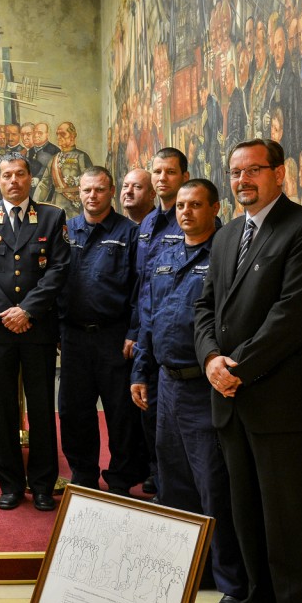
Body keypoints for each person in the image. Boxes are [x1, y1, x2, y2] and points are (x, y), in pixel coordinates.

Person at [194, 139, 302, 603]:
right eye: (236, 172)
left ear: (280, 173)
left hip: (283, 408)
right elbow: (205, 307)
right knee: (249, 519)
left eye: (253, 170)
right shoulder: (228, 235)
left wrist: (235, 370)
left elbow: (292, 316)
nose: (242, 180)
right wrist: (210, 358)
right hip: (233, 405)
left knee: (292, 529)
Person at [131, 178, 247, 603]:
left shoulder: (225, 255)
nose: (185, 212)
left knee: (214, 486)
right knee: (173, 484)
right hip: (166, 384)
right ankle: (182, 570)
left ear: (215, 208)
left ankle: (232, 587)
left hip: (204, 388)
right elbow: (149, 317)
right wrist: (141, 372)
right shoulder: (165, 254)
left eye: (196, 205)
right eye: (181, 205)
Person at [0, 152, 69, 512]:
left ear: (30, 178)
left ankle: (42, 485)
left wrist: (27, 310)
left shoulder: (52, 217)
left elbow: (59, 268)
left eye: (20, 174)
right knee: (4, 407)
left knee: (41, 408)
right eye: (7, 175)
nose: (13, 181)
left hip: (38, 327)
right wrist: (5, 313)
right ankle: (9, 484)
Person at [58, 167, 146, 496]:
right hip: (73, 336)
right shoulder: (65, 231)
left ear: (111, 192)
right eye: (86, 190)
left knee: (121, 412)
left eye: (99, 189)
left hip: (115, 336)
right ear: (78, 193)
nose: (92, 196)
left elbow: (140, 287)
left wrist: (134, 331)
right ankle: (83, 476)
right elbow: (52, 281)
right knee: (74, 411)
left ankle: (121, 480)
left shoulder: (129, 233)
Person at [127, 147, 190, 498]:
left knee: (177, 425)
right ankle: (156, 478)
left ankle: (176, 492)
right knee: (149, 413)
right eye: (157, 172)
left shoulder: (192, 217)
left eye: (170, 171)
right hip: (147, 332)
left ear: (184, 176)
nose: (163, 178)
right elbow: (141, 285)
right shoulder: (149, 222)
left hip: (178, 336)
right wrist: (134, 331)